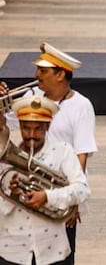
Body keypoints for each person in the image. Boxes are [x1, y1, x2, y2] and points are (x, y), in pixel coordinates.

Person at [0, 43, 97, 265]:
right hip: (28, 179)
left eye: (43, 71)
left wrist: (73, 204)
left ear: (60, 74)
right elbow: (6, 124)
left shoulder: (81, 105)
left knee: (60, 251)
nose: (36, 75)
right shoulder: (32, 95)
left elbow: (81, 154)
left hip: (61, 187)